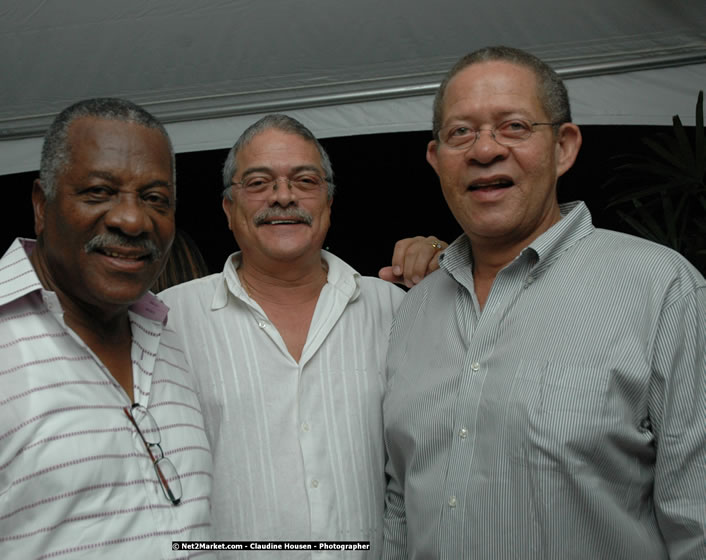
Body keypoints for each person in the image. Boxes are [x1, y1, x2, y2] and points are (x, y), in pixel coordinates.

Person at [382, 46, 705, 560]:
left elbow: (697, 517)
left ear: (563, 147)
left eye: (513, 126)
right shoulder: (412, 310)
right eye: (460, 132)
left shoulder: (662, 289)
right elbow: (401, 502)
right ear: (436, 158)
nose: (484, 150)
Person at [0, 98, 213, 557]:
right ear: (41, 205)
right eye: (99, 192)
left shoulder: (168, 341)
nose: (132, 219)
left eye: (155, 199)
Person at [159, 114, 443, 557]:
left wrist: (449, 261)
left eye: (305, 181)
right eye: (258, 183)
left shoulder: (392, 308)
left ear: (329, 202)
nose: (283, 196)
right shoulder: (171, 320)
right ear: (229, 209)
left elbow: (430, 455)